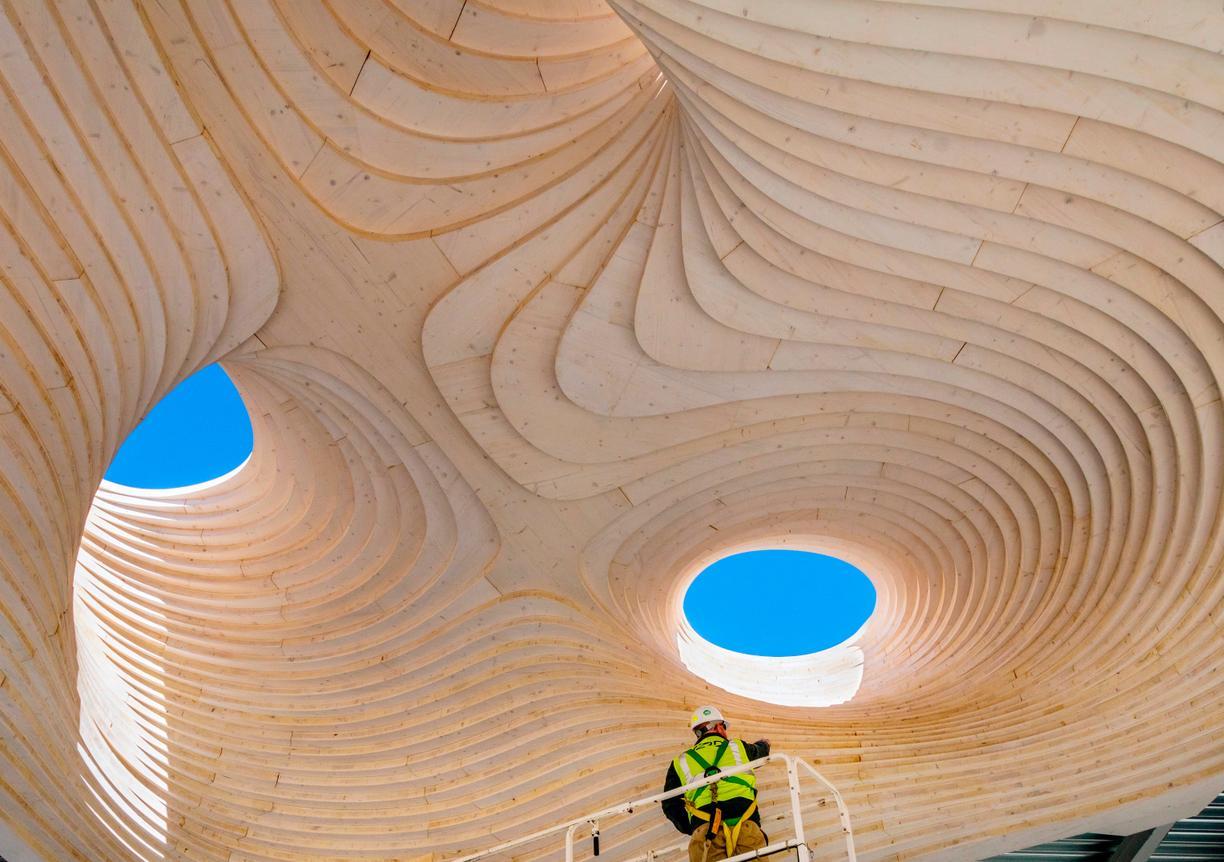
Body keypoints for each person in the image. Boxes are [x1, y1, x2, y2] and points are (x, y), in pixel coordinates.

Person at [661, 706, 771, 862]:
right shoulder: (738, 748)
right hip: (746, 827)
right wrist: (764, 743)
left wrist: (695, 826)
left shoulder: (681, 762)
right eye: (724, 726)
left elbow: (669, 804)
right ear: (719, 727)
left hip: (705, 834)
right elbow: (762, 752)